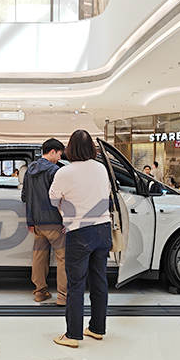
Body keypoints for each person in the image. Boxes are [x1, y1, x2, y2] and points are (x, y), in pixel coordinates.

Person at [49, 130, 111, 348]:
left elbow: (53, 199)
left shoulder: (65, 172)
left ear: (70, 148)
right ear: (92, 148)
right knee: (99, 281)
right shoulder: (101, 168)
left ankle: (73, 335)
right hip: (104, 229)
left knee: (76, 285)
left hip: (79, 231)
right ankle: (97, 328)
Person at [21, 138, 67, 306]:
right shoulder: (55, 171)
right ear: (52, 151)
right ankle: (63, 296)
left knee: (39, 257)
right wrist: (66, 220)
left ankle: (40, 292)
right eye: (59, 154)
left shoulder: (30, 170)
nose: (59, 158)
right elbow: (61, 198)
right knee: (63, 258)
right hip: (55, 221)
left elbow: (25, 197)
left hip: (37, 223)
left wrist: (31, 220)